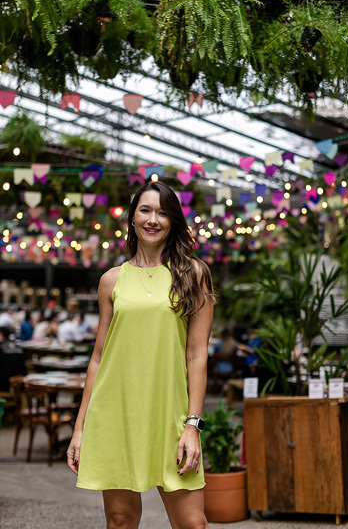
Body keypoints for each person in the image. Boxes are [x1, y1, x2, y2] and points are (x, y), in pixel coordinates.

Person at [66, 181, 216, 529]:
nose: (153, 219)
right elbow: (99, 358)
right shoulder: (111, 280)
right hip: (115, 413)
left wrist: (193, 426)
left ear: (173, 221)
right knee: (120, 520)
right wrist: (80, 428)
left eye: (163, 212)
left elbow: (197, 357)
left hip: (170, 413)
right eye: (146, 210)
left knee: (193, 523)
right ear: (132, 217)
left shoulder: (194, 275)